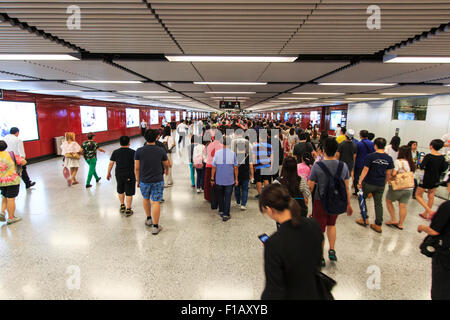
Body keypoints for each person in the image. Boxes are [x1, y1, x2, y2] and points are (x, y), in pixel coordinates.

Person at [259, 184, 324, 300]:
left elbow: (273, 291)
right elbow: (317, 260)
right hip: (315, 292)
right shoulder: (313, 224)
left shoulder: (274, 243)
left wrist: (273, 249)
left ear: (269, 209)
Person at [308, 138, 353, 266]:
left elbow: (310, 186)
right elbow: (346, 186)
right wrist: (348, 204)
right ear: (336, 151)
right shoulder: (343, 166)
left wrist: (304, 199)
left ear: (323, 151)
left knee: (320, 229)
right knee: (332, 225)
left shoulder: (318, 166)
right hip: (336, 200)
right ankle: (332, 249)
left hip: (320, 201)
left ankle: (320, 256)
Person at [135, 129, 170, 235]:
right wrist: (166, 169)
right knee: (156, 202)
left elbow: (137, 168)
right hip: (157, 180)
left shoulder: (139, 151)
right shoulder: (160, 150)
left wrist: (138, 180)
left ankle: (149, 219)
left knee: (146, 198)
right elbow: (166, 164)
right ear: (156, 137)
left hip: (144, 180)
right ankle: (155, 226)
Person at [356, 137, 394, 233]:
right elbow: (389, 173)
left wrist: (360, 181)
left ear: (375, 146)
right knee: (378, 203)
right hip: (380, 184)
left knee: (361, 198)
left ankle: (365, 218)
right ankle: (378, 224)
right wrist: (384, 182)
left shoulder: (370, 156)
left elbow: (365, 169)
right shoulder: (389, 158)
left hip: (369, 182)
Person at [418, 200, 450, 300]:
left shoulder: (447, 206)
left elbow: (434, 231)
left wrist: (421, 227)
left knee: (440, 291)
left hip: (445, 256)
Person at [416, 139, 448, 220]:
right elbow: (444, 168)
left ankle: (429, 211)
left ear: (431, 146)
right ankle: (425, 214)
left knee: (418, 195)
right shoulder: (442, 157)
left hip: (426, 178)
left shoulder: (428, 156)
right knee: (431, 196)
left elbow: (421, 166)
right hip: (436, 179)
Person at [385, 146, 416, 230]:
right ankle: (400, 224)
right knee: (403, 206)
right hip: (409, 188)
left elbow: (394, 173)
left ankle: (393, 219)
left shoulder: (398, 161)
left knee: (388, 201)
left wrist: (389, 177)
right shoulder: (411, 163)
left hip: (399, 187)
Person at [107, 136, 136, 217]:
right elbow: (137, 165)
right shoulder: (133, 152)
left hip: (119, 174)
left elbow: (111, 163)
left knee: (120, 190)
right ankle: (128, 209)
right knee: (129, 192)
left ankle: (122, 205)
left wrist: (108, 172)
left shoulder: (115, 152)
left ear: (120, 143)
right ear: (129, 142)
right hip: (129, 174)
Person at [211, 136, 238, 222]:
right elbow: (235, 167)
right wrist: (236, 179)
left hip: (219, 179)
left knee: (220, 195)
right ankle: (226, 214)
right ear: (230, 144)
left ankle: (221, 211)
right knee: (228, 196)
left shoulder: (217, 153)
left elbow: (214, 167)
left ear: (223, 144)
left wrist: (212, 178)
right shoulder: (233, 153)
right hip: (229, 180)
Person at [0, 140, 27, 225]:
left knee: (4, 196)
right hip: (12, 180)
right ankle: (11, 218)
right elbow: (23, 162)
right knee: (11, 199)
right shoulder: (11, 154)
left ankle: (2, 212)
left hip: (1, 181)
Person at [252, 131, 273, 198]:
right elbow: (272, 157)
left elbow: (253, 157)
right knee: (266, 179)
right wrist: (271, 165)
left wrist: (254, 165)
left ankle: (260, 194)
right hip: (267, 165)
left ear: (260, 138)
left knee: (258, 180)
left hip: (258, 165)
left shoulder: (256, 146)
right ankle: (267, 194)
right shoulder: (270, 146)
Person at [353, 130, 375, 195]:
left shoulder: (358, 144)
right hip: (369, 164)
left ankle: (357, 191)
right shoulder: (372, 144)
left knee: (357, 177)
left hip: (359, 163)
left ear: (360, 135)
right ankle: (366, 191)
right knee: (367, 178)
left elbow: (355, 154)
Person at [234, 137, 253, 210]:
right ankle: (243, 204)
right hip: (245, 175)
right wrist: (252, 176)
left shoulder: (234, 155)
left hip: (237, 175)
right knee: (245, 189)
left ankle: (238, 202)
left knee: (237, 189)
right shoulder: (248, 156)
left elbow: (234, 167)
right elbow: (251, 166)